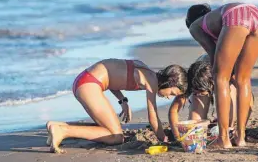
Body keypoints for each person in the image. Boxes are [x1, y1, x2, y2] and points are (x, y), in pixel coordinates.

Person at [46, 59, 188, 153]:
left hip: (85, 80)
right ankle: (63, 131)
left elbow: (112, 76)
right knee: (116, 137)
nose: (169, 97)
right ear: (170, 82)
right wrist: (164, 139)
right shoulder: (151, 80)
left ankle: (57, 125)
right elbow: (153, 117)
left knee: (107, 128)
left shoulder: (145, 70)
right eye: (172, 93)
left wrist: (123, 100)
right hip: (89, 84)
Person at [185, 3, 258, 148]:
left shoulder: (194, 27)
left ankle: (223, 139)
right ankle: (240, 137)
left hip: (237, 16)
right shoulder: (215, 19)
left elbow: (212, 54)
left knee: (220, 78)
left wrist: (223, 76)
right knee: (243, 79)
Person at [168, 55, 254, 140]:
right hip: (201, 71)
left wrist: (241, 129)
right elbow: (173, 110)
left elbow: (249, 98)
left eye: (200, 92)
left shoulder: (230, 76)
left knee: (229, 122)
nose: (197, 94)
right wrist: (177, 136)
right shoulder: (191, 80)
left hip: (224, 72)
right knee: (196, 125)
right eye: (195, 92)